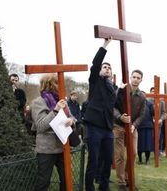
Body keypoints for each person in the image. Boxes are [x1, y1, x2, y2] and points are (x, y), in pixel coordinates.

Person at [83, 39, 118, 191]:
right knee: (94, 160)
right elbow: (96, 63)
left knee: (108, 158)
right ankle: (89, 187)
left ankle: (104, 186)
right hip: (94, 127)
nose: (106, 69)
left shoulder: (113, 87)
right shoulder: (95, 81)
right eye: (105, 67)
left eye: (109, 68)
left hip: (108, 128)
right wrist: (105, 45)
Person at [31, 73, 75, 191]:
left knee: (67, 180)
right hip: (46, 149)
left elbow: (72, 117)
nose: (61, 86)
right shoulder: (38, 102)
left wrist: (71, 121)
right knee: (43, 182)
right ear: (49, 84)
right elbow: (40, 126)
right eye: (57, 82)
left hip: (63, 147)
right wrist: (55, 110)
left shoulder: (61, 100)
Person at [113, 69, 146, 190]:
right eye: (134, 77)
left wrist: (134, 125)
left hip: (132, 127)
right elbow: (113, 107)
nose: (136, 79)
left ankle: (127, 177)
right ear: (130, 78)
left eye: (138, 78)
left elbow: (142, 114)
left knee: (133, 153)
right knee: (120, 155)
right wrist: (119, 117)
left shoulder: (142, 96)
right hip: (118, 126)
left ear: (141, 80)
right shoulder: (121, 90)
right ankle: (121, 182)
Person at [137, 93, 154, 165]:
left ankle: (147, 160)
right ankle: (140, 159)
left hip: (148, 127)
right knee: (139, 144)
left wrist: (155, 107)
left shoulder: (150, 104)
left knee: (148, 145)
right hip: (139, 127)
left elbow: (153, 113)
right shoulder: (137, 103)